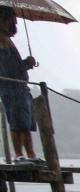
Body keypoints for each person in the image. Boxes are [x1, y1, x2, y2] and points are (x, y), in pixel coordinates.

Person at [0, 8, 41, 164]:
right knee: (17, 123)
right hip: (11, 88)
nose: (15, 22)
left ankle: (31, 155)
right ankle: (19, 155)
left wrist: (26, 63)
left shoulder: (7, 40)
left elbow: (14, 67)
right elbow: (7, 68)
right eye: (11, 18)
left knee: (26, 124)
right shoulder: (1, 40)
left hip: (21, 87)